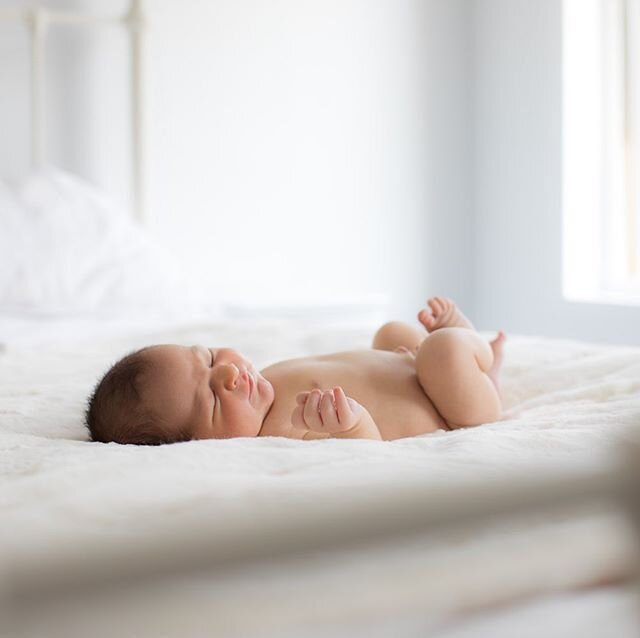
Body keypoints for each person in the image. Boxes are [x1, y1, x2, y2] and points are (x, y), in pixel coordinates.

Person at [86, 297, 506, 444]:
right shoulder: (283, 431)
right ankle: (482, 371)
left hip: (411, 369)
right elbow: (363, 454)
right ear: (199, 443)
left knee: (389, 331)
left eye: (211, 358)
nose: (229, 374)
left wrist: (396, 361)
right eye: (213, 398)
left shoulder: (263, 381)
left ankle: (464, 359)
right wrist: (351, 426)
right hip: (448, 407)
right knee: (443, 351)